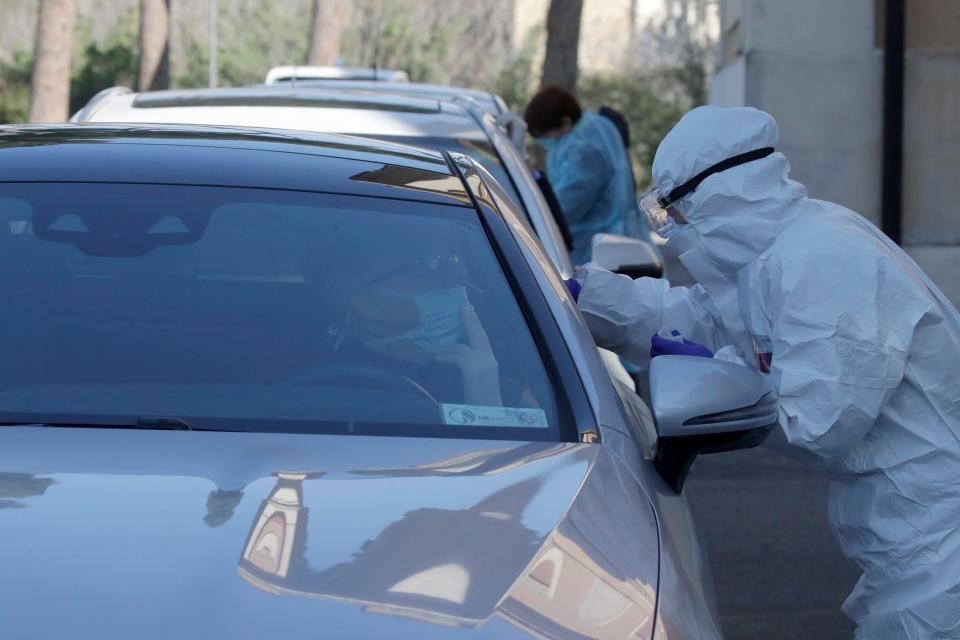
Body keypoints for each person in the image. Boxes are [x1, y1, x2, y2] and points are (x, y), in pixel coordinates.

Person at [569, 105, 960, 639]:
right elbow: (703, 319)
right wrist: (594, 300)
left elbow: (819, 421)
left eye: (675, 213)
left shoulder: (823, 259)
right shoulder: (773, 258)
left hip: (941, 536)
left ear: (717, 196)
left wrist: (719, 378)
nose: (675, 229)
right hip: (911, 536)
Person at [524, 86, 637, 264]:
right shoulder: (596, 127)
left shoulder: (584, 152)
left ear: (565, 122)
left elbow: (561, 211)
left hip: (595, 252)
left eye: (546, 135)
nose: (545, 142)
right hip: (615, 244)